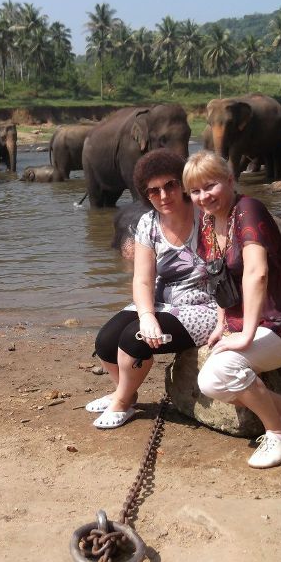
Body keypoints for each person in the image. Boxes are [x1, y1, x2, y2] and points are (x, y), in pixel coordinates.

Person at [182, 151, 281, 468]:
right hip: (245, 322)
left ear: (230, 180)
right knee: (210, 383)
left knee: (222, 370)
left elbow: (257, 273)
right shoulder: (209, 222)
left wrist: (246, 335)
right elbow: (218, 278)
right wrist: (221, 323)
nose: (203, 197)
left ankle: (279, 435)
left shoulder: (248, 210)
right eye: (195, 191)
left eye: (210, 186)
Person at [90, 149, 217, 429]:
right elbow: (143, 280)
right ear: (145, 195)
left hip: (203, 307)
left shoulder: (207, 218)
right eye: (154, 191)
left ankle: (121, 402)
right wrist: (147, 315)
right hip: (163, 300)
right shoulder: (148, 223)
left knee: (133, 340)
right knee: (106, 341)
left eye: (170, 185)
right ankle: (126, 392)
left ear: (183, 184)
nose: (163, 196)